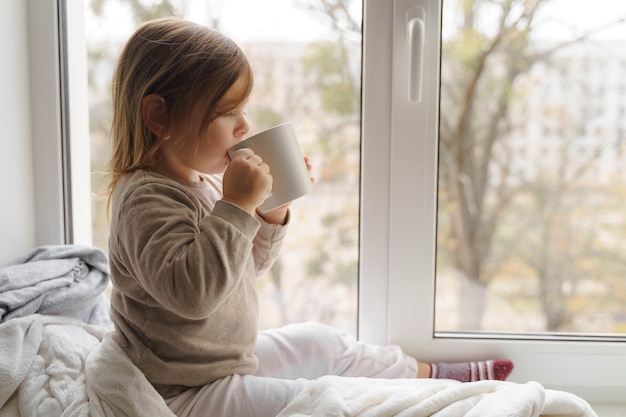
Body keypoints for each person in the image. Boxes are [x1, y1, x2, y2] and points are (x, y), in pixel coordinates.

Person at [106, 17, 513, 417]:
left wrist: (269, 213)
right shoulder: (145, 199)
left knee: (324, 343)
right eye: (226, 112)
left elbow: (242, 272)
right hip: (179, 390)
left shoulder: (206, 183)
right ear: (158, 116)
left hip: (219, 364)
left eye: (242, 109)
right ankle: (423, 403)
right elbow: (194, 295)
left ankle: (430, 377)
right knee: (314, 399)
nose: (244, 125)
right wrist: (237, 207)